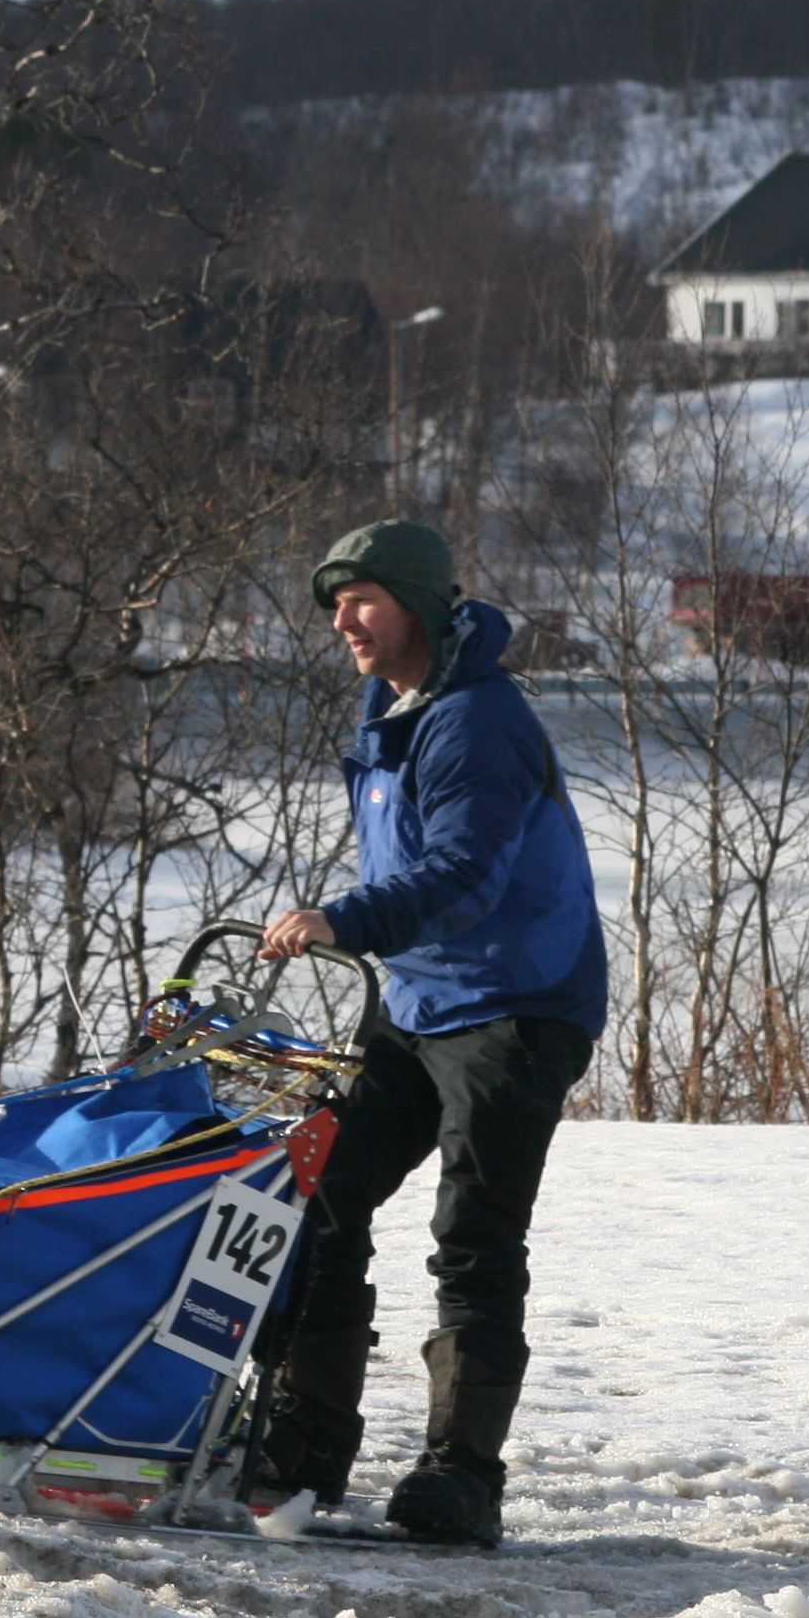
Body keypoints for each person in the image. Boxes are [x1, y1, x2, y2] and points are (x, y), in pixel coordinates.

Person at [252, 518, 606, 1547]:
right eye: (333, 601)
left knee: (473, 1236)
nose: (342, 618)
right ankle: (306, 1443)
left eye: (362, 596)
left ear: (417, 601)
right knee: (320, 1188)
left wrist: (347, 919)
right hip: (419, 1004)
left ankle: (461, 1477)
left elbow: (462, 873)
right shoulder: (392, 708)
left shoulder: (475, 721)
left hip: (518, 1005)